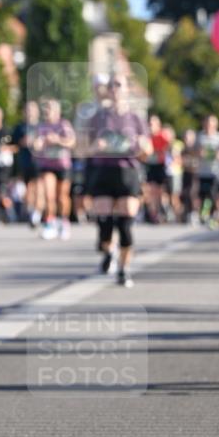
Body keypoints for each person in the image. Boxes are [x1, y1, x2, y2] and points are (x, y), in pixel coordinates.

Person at [86, 74, 152, 287]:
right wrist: (98, 145)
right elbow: (85, 147)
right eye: (111, 85)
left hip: (127, 172)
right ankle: (108, 252)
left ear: (126, 89)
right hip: (104, 171)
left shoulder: (136, 119)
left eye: (118, 84)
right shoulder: (98, 117)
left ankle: (124, 269)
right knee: (104, 225)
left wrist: (142, 146)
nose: (114, 89)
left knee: (125, 225)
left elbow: (148, 151)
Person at [31, 97, 76, 240]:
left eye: (49, 108)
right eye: (45, 109)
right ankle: (50, 223)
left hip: (63, 165)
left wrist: (57, 140)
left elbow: (72, 142)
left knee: (62, 196)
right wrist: (38, 144)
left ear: (57, 111)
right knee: (49, 195)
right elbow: (35, 145)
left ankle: (64, 222)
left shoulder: (64, 125)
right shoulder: (41, 127)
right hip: (47, 165)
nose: (47, 111)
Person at [12, 100, 42, 226]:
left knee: (38, 188)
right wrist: (22, 142)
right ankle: (31, 211)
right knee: (28, 189)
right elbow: (13, 143)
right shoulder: (19, 127)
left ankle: (37, 213)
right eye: (27, 110)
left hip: (40, 162)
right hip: (24, 162)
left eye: (32, 110)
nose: (29, 113)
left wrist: (39, 143)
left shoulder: (42, 127)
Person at [144, 114, 170, 224]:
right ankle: (153, 214)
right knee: (151, 191)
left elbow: (168, 148)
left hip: (160, 166)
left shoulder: (162, 136)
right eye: (149, 124)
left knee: (160, 191)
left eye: (152, 124)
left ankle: (163, 210)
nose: (151, 126)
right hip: (150, 166)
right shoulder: (146, 136)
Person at [196, 114, 219, 227]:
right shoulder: (200, 137)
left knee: (212, 194)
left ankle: (211, 215)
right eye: (207, 124)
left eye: (211, 124)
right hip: (203, 171)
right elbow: (193, 151)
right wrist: (198, 153)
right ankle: (206, 214)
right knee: (203, 195)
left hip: (215, 171)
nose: (209, 126)